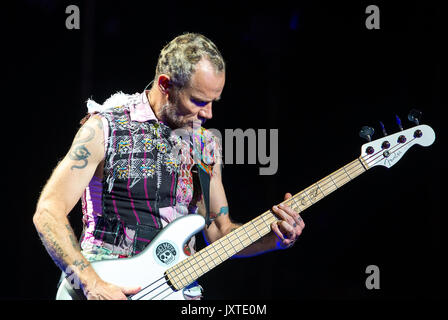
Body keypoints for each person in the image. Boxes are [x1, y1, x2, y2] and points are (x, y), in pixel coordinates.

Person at [33, 32, 305, 300]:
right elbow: (48, 211)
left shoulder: (204, 145)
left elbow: (219, 230)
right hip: (107, 288)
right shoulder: (105, 128)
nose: (208, 113)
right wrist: (92, 283)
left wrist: (274, 239)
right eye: (198, 101)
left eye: (213, 101)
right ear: (165, 85)